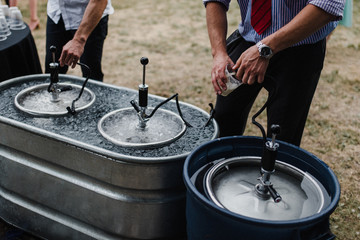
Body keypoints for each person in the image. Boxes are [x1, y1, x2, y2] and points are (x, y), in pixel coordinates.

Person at [204, 0, 345, 146]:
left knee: (282, 137)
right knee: (223, 122)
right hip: (249, 37)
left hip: (300, 46)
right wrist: (219, 52)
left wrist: (264, 49)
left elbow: (329, 4)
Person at [45, 0, 114, 81]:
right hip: (57, 12)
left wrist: (79, 41)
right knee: (52, 73)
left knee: (91, 76)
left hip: (91, 14)